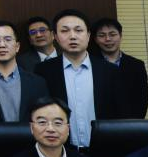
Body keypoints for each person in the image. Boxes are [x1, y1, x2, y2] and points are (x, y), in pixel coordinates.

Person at [34, 10, 123, 147]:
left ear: (88, 36)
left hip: (104, 148)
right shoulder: (43, 71)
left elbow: (120, 115)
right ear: (55, 37)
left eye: (78, 30)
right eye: (65, 31)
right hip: (60, 149)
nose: (72, 36)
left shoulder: (110, 71)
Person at [93, 17, 148, 119]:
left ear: (121, 36)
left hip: (129, 124)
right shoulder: (91, 64)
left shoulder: (137, 65)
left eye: (112, 34)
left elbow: (142, 101)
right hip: (99, 124)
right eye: (102, 35)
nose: (108, 39)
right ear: (95, 39)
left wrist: (132, 124)